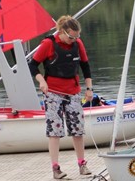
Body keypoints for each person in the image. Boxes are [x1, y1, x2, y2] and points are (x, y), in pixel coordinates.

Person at [28, 16, 93, 179]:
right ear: (62, 32)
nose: (74, 40)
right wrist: (41, 80)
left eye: (76, 37)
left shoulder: (78, 44)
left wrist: (89, 88)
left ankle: (82, 164)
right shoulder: (48, 44)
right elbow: (32, 64)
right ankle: (56, 169)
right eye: (71, 37)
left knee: (78, 130)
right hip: (53, 93)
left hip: (73, 92)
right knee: (55, 132)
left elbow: (85, 66)